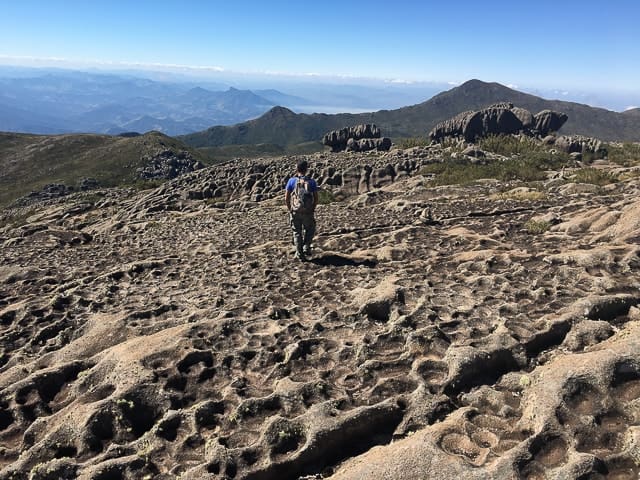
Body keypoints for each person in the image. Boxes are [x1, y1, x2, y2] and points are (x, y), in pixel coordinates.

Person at [285, 160, 318, 260]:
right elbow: (316, 198)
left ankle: (300, 254)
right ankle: (306, 247)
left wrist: (290, 208)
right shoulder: (311, 182)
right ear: (306, 169)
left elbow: (286, 198)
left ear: (297, 169)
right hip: (307, 211)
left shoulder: (291, 181)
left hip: (295, 211)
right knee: (310, 228)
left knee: (297, 232)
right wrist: (312, 208)